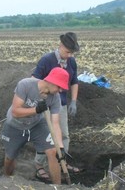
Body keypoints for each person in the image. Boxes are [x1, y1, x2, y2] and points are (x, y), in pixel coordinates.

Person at [1, 67, 69, 185]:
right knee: (9, 158)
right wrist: (36, 110)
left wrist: (61, 147)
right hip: (15, 125)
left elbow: (55, 123)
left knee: (53, 152)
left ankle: (57, 187)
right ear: (52, 81)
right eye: (59, 87)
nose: (61, 90)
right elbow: (15, 112)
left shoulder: (55, 97)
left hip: (37, 125)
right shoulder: (25, 85)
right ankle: (7, 182)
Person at [32, 32, 80, 181]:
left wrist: (73, 101)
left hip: (61, 105)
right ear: (60, 46)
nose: (69, 55)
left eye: (72, 53)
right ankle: (39, 165)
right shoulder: (47, 60)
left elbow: (74, 81)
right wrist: (40, 98)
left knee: (63, 134)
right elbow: (34, 81)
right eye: (67, 52)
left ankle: (62, 163)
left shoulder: (71, 62)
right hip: (45, 107)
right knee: (46, 137)